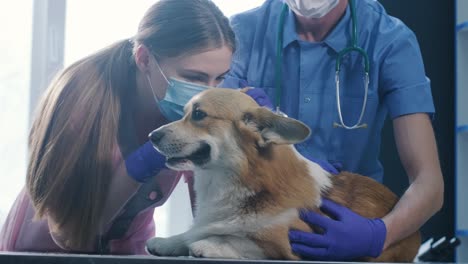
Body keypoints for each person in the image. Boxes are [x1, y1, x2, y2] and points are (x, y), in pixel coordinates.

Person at [0, 0, 234, 254]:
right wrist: (135, 169)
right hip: (45, 250)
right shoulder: (81, 98)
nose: (207, 93)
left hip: (127, 251)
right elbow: (70, 236)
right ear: (144, 59)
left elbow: (212, 220)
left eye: (219, 78)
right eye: (193, 77)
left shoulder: (182, 112)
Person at [222, 0, 444, 261]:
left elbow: (429, 185)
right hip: (258, 229)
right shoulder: (241, 33)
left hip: (351, 224)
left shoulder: (389, 40)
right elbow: (209, 143)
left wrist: (378, 235)